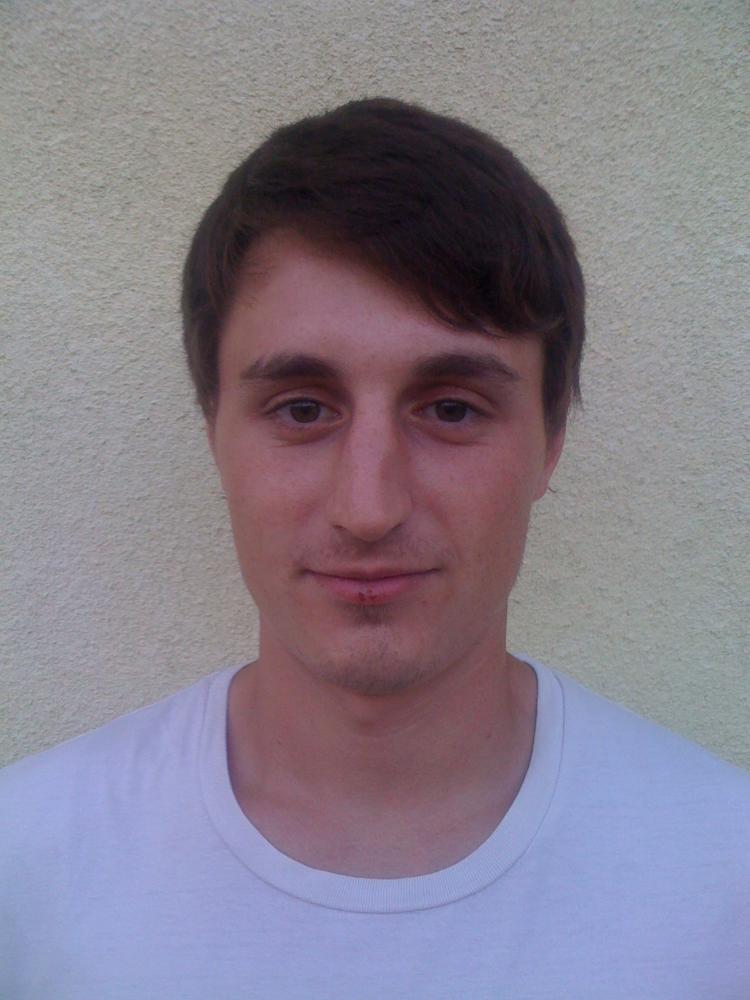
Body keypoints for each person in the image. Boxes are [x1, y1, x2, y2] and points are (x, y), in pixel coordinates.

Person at [2, 98, 748, 999]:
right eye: (302, 409)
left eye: (452, 409)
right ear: (214, 433)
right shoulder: (25, 868)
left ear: (551, 441)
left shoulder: (725, 879)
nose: (369, 508)